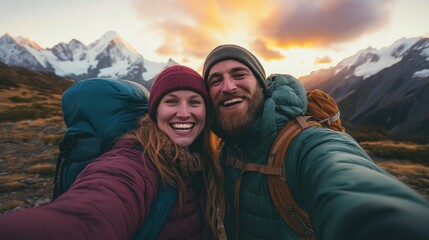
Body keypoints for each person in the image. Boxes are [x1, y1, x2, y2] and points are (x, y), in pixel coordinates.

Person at [202, 44, 429, 240]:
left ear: (262, 85)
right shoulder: (223, 149)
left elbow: (341, 169)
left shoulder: (304, 143)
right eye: (216, 80)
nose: (228, 87)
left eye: (239, 74)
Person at [0, 65, 226, 240]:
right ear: (155, 113)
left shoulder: (202, 159)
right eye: (172, 101)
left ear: (206, 112)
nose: (184, 113)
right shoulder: (136, 160)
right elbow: (93, 213)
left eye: (195, 102)